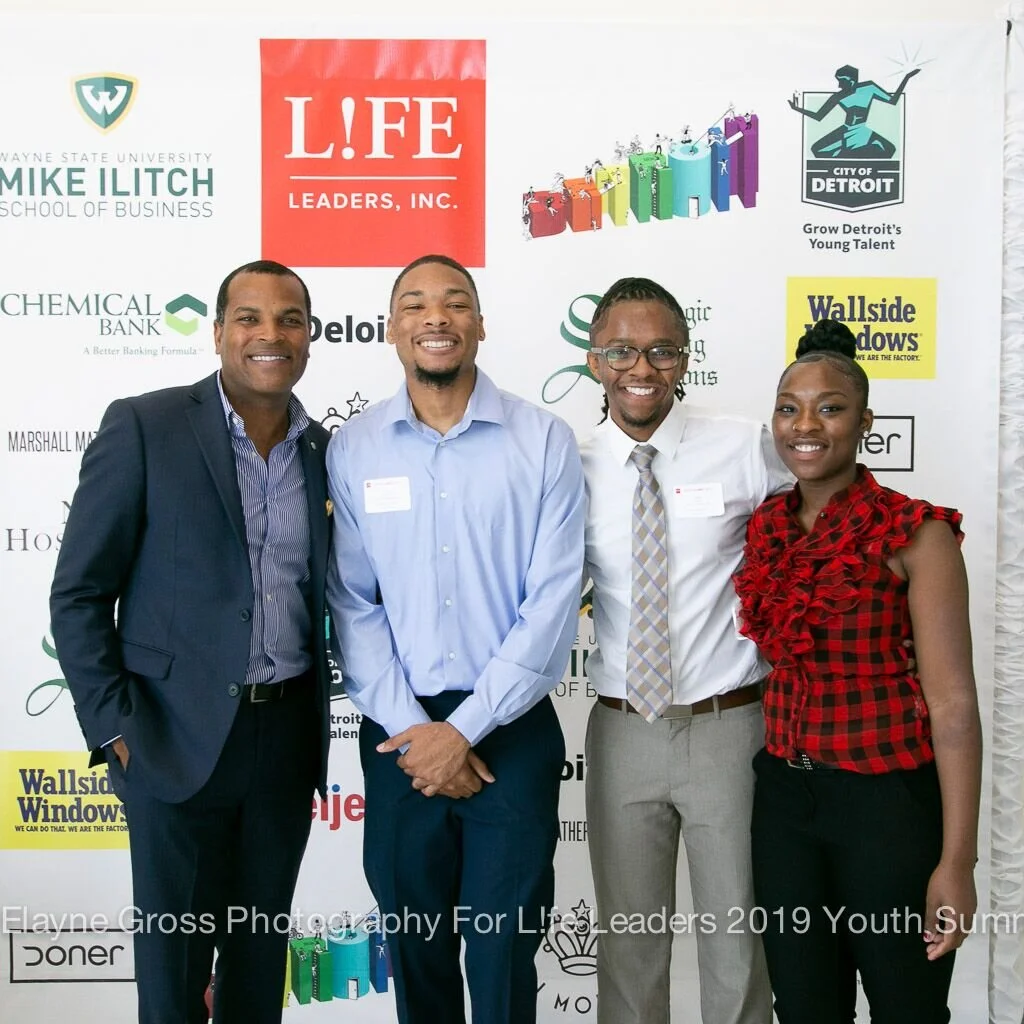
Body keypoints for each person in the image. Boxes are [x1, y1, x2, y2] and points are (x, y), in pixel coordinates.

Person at [49, 260, 332, 1024]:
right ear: (217, 334)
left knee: (256, 971)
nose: (269, 334)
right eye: (249, 318)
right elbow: (78, 593)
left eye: (289, 319)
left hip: (283, 747)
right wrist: (115, 728)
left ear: (309, 337)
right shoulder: (144, 426)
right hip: (171, 742)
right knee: (173, 984)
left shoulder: (323, 451)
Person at [325, 254, 585, 1024]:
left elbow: (552, 604)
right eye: (414, 305)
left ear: (479, 324)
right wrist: (417, 734)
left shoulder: (543, 440)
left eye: (454, 302)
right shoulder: (355, 448)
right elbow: (352, 601)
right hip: (399, 736)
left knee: (505, 951)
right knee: (416, 944)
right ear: (392, 330)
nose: (435, 317)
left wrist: (462, 731)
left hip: (509, 729)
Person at [734, 319, 981, 1024]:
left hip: (889, 812)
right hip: (784, 806)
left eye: (830, 407)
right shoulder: (765, 527)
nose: (805, 424)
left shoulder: (917, 533)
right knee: (806, 1008)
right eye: (789, 407)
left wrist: (956, 863)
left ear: (865, 421)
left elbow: (954, 709)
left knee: (907, 1006)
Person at [580, 276, 785, 1024]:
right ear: (595, 359)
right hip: (623, 728)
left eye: (662, 350)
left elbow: (826, 518)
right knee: (630, 943)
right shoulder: (565, 464)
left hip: (730, 728)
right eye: (623, 350)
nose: (642, 367)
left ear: (685, 357)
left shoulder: (743, 446)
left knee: (738, 938)